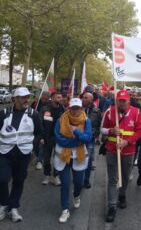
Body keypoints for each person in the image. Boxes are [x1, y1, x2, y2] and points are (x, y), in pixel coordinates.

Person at [0, 87, 44, 222]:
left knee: (18, 181)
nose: (27, 100)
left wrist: (33, 145)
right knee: (2, 179)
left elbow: (39, 132)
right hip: (4, 153)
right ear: (15, 99)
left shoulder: (33, 114)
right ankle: (3, 204)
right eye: (23, 97)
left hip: (24, 154)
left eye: (28, 97)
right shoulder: (4, 113)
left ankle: (13, 207)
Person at [101, 90, 141, 222]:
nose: (122, 103)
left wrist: (127, 141)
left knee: (125, 176)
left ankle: (122, 194)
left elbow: (140, 130)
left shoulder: (136, 112)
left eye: (124, 101)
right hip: (112, 150)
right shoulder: (110, 111)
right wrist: (111, 131)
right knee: (113, 179)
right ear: (116, 101)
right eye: (120, 100)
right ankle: (112, 206)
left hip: (129, 150)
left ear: (128, 101)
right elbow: (102, 128)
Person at [54, 98, 92, 223]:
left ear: (81, 108)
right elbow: (58, 138)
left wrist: (76, 132)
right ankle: (65, 209)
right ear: (69, 108)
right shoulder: (61, 120)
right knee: (65, 184)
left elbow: (88, 138)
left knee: (79, 183)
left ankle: (76, 195)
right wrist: (75, 141)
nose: (75, 110)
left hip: (79, 157)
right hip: (63, 157)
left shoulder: (86, 120)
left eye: (77, 108)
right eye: (73, 108)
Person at [40, 91, 65, 186]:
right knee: (46, 158)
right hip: (47, 138)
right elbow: (40, 123)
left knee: (57, 158)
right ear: (53, 98)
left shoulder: (62, 109)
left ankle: (56, 176)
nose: (60, 99)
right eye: (58, 97)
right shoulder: (45, 109)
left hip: (58, 138)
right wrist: (42, 137)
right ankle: (46, 175)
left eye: (61, 97)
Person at [82, 92, 102, 189]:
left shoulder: (96, 111)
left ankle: (86, 180)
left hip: (89, 139)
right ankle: (78, 176)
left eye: (86, 98)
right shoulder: (77, 109)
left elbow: (99, 126)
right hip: (78, 139)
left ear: (91, 99)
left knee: (88, 159)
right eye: (83, 97)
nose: (83, 99)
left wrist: (92, 135)